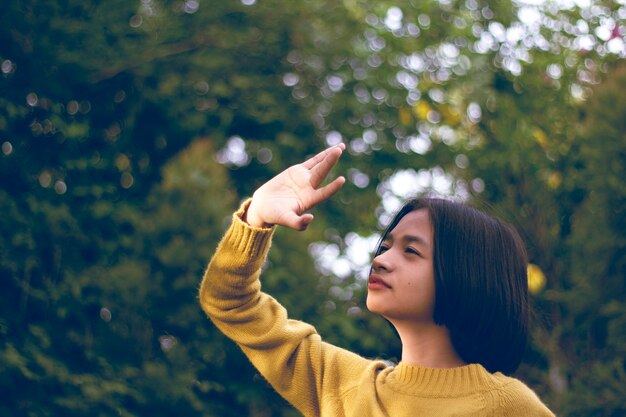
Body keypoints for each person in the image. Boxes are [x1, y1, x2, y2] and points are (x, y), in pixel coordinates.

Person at [199, 144, 555, 416]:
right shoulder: (345, 386)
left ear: (468, 275)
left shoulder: (508, 406)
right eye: (384, 247)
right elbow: (230, 302)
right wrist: (257, 219)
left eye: (410, 251)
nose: (381, 260)